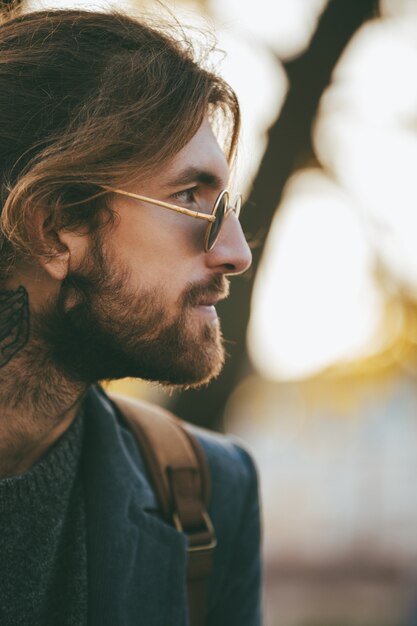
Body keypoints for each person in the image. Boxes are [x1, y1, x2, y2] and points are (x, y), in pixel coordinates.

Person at [0, 5, 262, 626]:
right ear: (55, 226)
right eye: (188, 198)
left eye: (226, 204)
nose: (236, 252)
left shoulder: (207, 494)